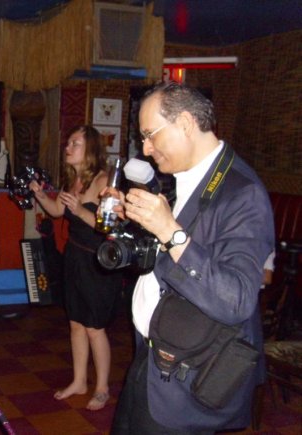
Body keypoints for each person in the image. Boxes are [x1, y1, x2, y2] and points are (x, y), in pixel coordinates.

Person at [110, 82, 274, 433]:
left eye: (150, 135)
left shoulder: (243, 193)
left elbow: (238, 299)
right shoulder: (178, 178)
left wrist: (170, 231)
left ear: (185, 123)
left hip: (187, 379)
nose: (146, 147)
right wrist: (140, 224)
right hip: (151, 358)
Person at [30, 125, 122, 411]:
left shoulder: (103, 180)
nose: (67, 147)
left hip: (98, 262)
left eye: (75, 143)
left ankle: (102, 388)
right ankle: (79, 381)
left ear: (90, 150)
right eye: (68, 142)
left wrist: (81, 209)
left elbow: (111, 224)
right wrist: (39, 194)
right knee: (75, 325)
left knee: (95, 327)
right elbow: (58, 211)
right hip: (75, 257)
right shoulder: (76, 179)